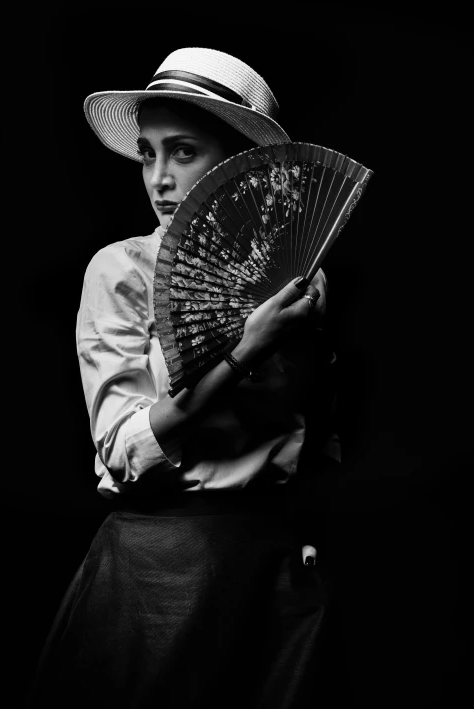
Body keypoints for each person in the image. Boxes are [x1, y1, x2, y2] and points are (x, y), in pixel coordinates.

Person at [27, 47, 341, 709]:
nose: (160, 178)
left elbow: (314, 440)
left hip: (274, 570)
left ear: (240, 166)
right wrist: (242, 355)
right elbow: (124, 448)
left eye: (184, 151)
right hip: (159, 570)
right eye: (149, 153)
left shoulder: (296, 280)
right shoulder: (122, 271)